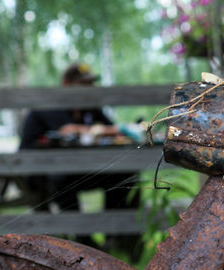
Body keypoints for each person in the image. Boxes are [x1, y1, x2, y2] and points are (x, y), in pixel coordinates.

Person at [18, 62, 137, 216]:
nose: (90, 88)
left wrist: (116, 131)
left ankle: (115, 234)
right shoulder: (48, 107)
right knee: (63, 179)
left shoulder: (90, 108)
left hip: (77, 169)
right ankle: (81, 236)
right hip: (41, 174)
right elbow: (67, 130)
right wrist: (107, 130)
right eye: (84, 83)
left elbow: (112, 130)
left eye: (91, 83)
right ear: (67, 84)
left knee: (124, 174)